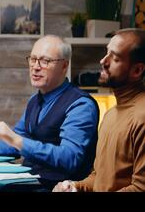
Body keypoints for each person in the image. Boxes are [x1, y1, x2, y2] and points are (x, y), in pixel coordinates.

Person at [0, 35, 99, 190]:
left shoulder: (81, 105)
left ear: (64, 66)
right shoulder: (34, 101)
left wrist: (15, 139)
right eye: (33, 59)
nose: (36, 66)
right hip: (28, 184)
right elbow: (14, 143)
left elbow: (69, 158)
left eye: (45, 61)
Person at [54, 29, 145, 192]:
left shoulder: (141, 117)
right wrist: (74, 187)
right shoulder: (110, 114)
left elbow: (140, 188)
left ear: (137, 71)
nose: (103, 61)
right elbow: (99, 177)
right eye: (106, 53)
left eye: (115, 58)